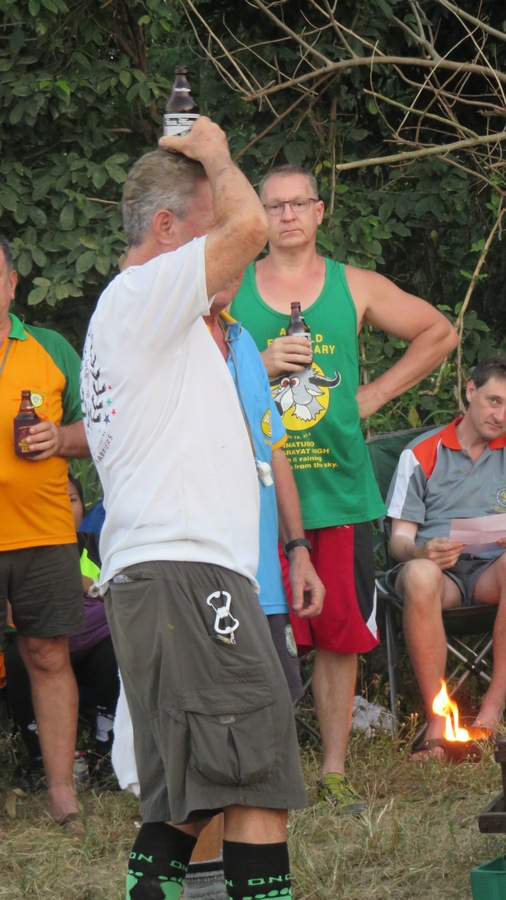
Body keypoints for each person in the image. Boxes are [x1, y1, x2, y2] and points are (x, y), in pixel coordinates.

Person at [81, 119, 312, 900]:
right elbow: (252, 230)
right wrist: (214, 150)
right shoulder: (140, 295)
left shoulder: (156, 321)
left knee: (192, 794)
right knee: (258, 776)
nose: (232, 259)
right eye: (208, 234)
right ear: (167, 229)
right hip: (186, 573)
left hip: (169, 579)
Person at [230, 163, 459, 813]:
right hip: (254, 493)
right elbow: (192, 371)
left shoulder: (352, 286)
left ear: (319, 211)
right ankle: (266, 771)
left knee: (339, 633)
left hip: (338, 490)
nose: (287, 215)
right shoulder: (233, 289)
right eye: (274, 206)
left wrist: (372, 396)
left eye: (298, 203)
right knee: (257, 637)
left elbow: (440, 332)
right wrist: (261, 364)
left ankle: (333, 771)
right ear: (260, 217)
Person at [0, 234, 90, 833]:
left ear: (12, 284)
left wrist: (58, 438)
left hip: (44, 532)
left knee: (48, 655)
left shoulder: (51, 348)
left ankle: (62, 794)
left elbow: (103, 427)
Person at [381, 354, 506, 758]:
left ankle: (490, 715)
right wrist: (422, 550)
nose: (501, 416)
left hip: (493, 572)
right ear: (470, 391)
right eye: (494, 401)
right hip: (439, 575)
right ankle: (438, 726)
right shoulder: (421, 452)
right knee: (418, 573)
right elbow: (399, 542)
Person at [4, 474, 119, 791]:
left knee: (115, 648)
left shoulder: (99, 546)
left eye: (70, 500)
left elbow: (122, 596)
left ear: (83, 507)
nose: (62, 510)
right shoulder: (20, 557)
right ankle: (39, 760)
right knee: (17, 658)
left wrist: (87, 585)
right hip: (42, 647)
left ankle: (106, 752)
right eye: (50, 501)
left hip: (94, 648)